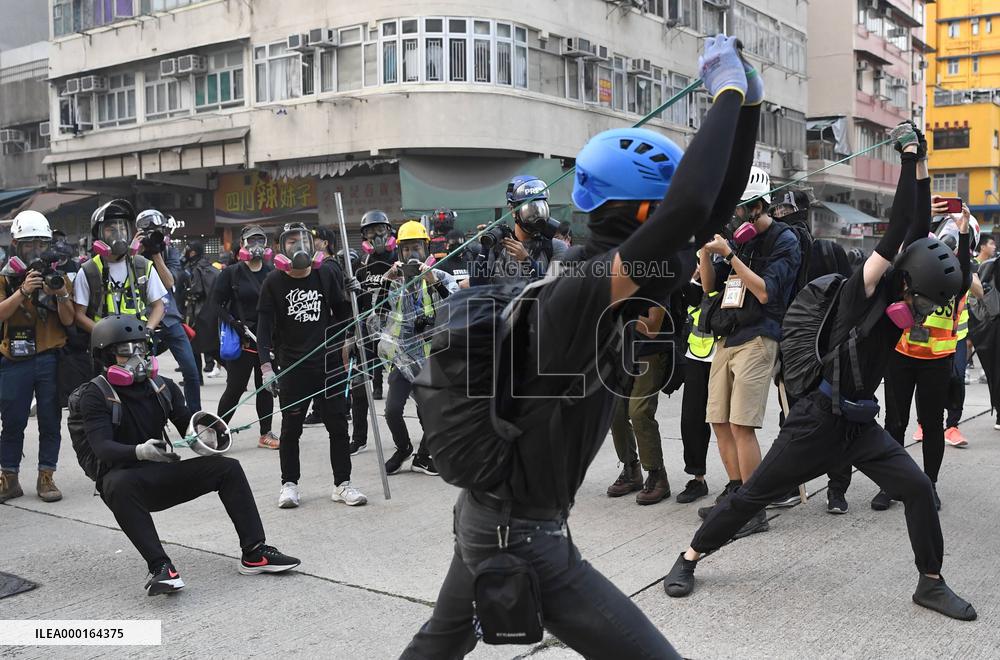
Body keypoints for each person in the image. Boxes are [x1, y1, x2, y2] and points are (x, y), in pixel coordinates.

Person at [402, 34, 763, 658]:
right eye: (662, 211)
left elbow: (703, 213)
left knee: (440, 642)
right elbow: (688, 212)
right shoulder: (587, 285)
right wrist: (727, 92)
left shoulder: (621, 272)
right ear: (646, 213)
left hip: (496, 515)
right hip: (519, 532)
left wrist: (747, 106)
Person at [664, 121, 978, 622]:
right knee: (751, 496)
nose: (923, 313)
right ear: (908, 286)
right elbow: (901, 226)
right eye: (923, 302)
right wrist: (904, 158)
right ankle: (689, 557)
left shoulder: (903, 288)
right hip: (815, 422)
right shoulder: (865, 291)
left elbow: (918, 230)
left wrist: (921, 164)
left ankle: (931, 583)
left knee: (918, 488)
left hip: (859, 424)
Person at [69, 314, 299, 595]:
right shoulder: (95, 394)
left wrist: (210, 433)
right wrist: (141, 451)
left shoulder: (163, 386)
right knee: (117, 483)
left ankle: (254, 552)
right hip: (127, 482)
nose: (137, 358)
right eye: (126, 352)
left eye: (141, 349)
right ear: (105, 357)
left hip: (161, 473)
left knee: (228, 468)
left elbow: (189, 427)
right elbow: (102, 447)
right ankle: (161, 567)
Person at [696, 165, 803, 535]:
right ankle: (736, 492)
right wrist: (704, 252)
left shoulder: (785, 240)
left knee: (742, 424)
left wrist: (731, 256)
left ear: (758, 206)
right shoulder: (736, 240)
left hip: (759, 337)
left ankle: (753, 511)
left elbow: (765, 292)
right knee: (719, 420)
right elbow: (709, 288)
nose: (735, 217)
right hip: (727, 335)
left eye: (740, 209)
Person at [256, 222, 367, 508]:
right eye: (291, 241)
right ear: (280, 248)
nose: (299, 246)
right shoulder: (273, 282)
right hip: (293, 367)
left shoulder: (326, 273)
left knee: (338, 426)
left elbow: (343, 314)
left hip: (329, 365)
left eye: (303, 240)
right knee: (291, 430)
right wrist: (266, 368)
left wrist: (354, 300)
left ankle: (342, 484)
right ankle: (289, 485)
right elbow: (264, 329)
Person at [877, 203, 977, 511]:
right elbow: (907, 247)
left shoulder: (956, 279)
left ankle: (928, 484)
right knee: (895, 422)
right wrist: (923, 214)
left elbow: (963, 272)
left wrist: (963, 231)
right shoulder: (914, 270)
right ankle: (890, 485)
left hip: (937, 361)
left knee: (933, 425)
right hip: (902, 355)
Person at [0, 211, 76, 503]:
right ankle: (9, 478)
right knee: (13, 421)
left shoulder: (58, 278)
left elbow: (68, 320)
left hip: (49, 358)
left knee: (50, 420)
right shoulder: (4, 277)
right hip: (14, 358)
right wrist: (23, 290)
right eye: (29, 244)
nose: (36, 250)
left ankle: (47, 476)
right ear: (15, 244)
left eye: (42, 244)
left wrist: (60, 294)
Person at [379, 220, 459, 476]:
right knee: (392, 410)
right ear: (399, 252)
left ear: (426, 248)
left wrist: (433, 282)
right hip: (403, 359)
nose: (411, 254)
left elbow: (455, 307)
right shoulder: (396, 282)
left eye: (416, 248)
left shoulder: (441, 276)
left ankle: (424, 456)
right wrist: (385, 282)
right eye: (406, 249)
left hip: (432, 360)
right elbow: (378, 314)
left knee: (431, 414)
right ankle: (403, 448)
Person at [74, 200, 167, 364]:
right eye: (111, 229)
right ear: (99, 235)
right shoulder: (88, 271)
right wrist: (104, 334)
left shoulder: (142, 265)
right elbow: (79, 315)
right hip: (104, 349)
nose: (118, 233)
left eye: (122, 228)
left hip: (139, 346)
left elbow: (159, 306)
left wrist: (147, 331)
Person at [606, 296, 678, 505]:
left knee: (639, 411)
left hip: (651, 353)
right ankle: (630, 469)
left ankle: (657, 476)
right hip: (623, 352)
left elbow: (652, 328)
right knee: (614, 410)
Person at [212, 225, 278, 450]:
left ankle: (265, 433)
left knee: (265, 386)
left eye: (261, 240)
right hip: (244, 340)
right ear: (242, 244)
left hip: (267, 341)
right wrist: (232, 322)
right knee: (235, 388)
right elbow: (216, 304)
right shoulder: (231, 273)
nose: (256, 246)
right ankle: (217, 431)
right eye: (252, 241)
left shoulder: (272, 272)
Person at [136, 209, 202, 412]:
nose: (155, 236)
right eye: (150, 232)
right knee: (142, 372)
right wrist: (135, 250)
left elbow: (169, 282)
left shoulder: (168, 252)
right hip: (144, 321)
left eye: (159, 231)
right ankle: (149, 415)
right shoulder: (131, 253)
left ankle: (195, 415)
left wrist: (156, 253)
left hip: (169, 318)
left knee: (191, 371)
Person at [469, 176, 569, 284]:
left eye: (540, 209)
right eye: (530, 210)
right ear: (513, 210)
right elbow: (476, 284)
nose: (536, 216)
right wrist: (485, 247)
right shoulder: (498, 246)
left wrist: (527, 261)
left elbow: (554, 289)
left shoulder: (555, 246)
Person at [677, 266, 717, 504]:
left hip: (726, 351)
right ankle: (697, 478)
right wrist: (690, 279)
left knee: (729, 423)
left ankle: (739, 482)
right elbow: (691, 301)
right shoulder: (695, 261)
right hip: (696, 353)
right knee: (691, 419)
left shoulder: (731, 257)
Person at [182, 240, 221, 380]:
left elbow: (196, 290)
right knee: (211, 346)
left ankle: (196, 378)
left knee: (194, 345)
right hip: (209, 311)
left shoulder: (196, 268)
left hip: (197, 312)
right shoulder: (207, 266)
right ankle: (234, 376)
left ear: (193, 252)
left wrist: (186, 293)